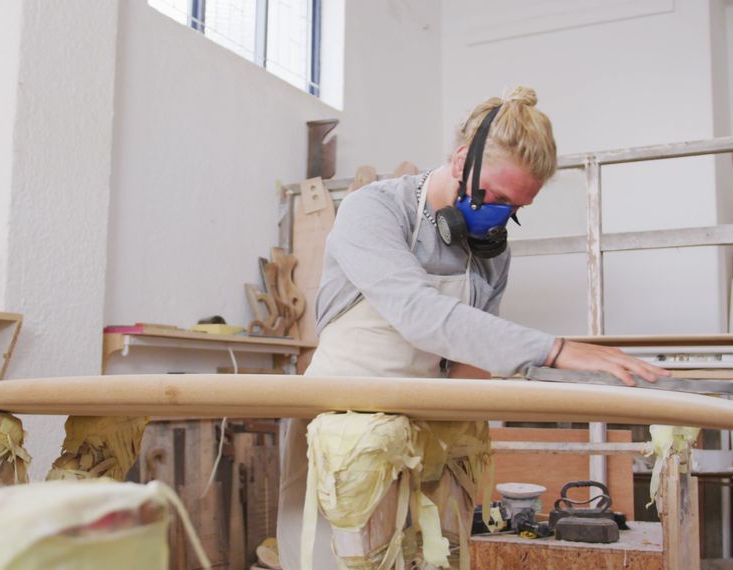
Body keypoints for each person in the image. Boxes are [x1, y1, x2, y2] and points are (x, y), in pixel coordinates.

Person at [277, 86, 670, 569]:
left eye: (516, 208)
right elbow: (420, 316)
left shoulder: (490, 250)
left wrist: (456, 441)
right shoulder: (375, 211)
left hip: (427, 426)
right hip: (346, 435)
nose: (501, 217)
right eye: (497, 197)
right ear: (462, 161)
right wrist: (555, 349)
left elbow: (468, 361)